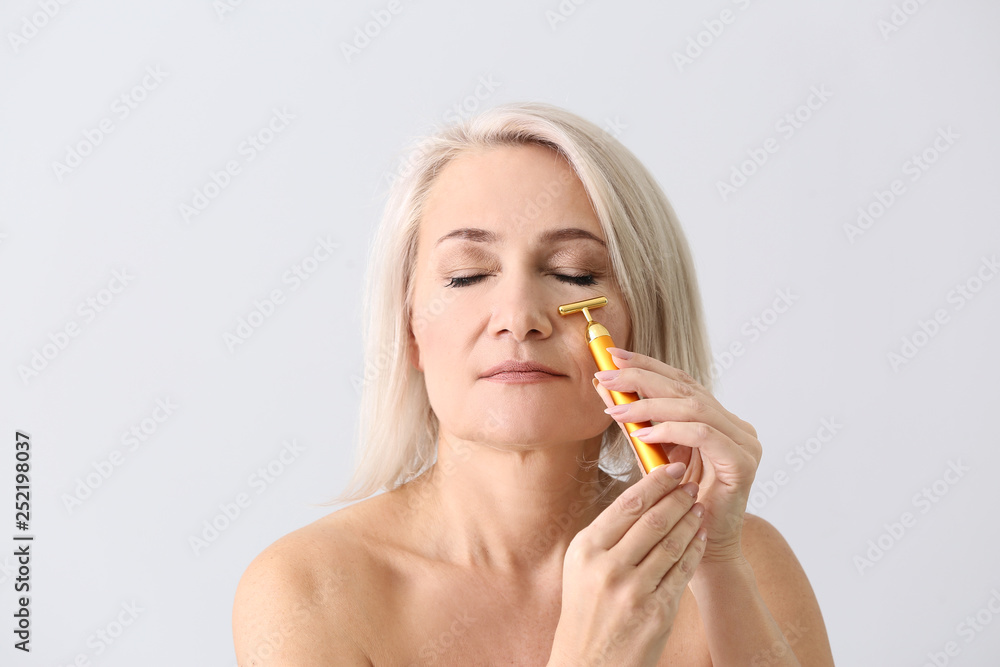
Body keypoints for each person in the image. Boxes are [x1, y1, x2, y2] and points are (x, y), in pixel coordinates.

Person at [232, 102, 835, 666]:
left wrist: (718, 568)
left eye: (573, 273)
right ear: (410, 328)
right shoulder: (308, 588)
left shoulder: (742, 563)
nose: (519, 316)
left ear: (642, 321)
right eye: (467, 276)